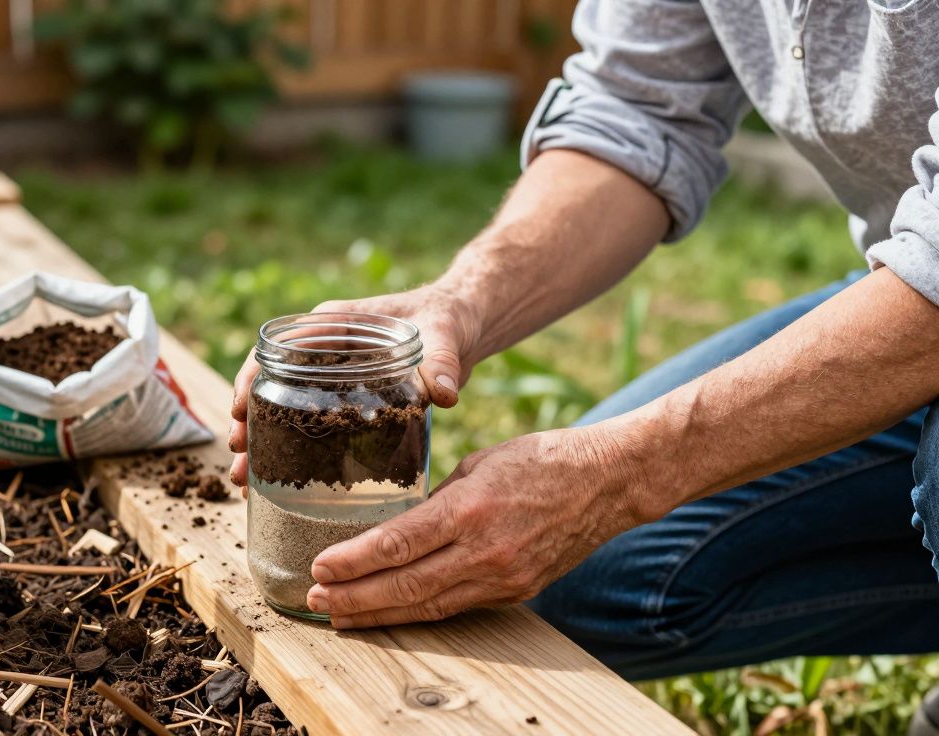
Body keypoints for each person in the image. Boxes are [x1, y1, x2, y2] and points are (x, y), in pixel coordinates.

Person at [227, 0, 939, 681]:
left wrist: (617, 477)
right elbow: (634, 111)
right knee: (587, 582)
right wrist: (460, 302)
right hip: (903, 280)